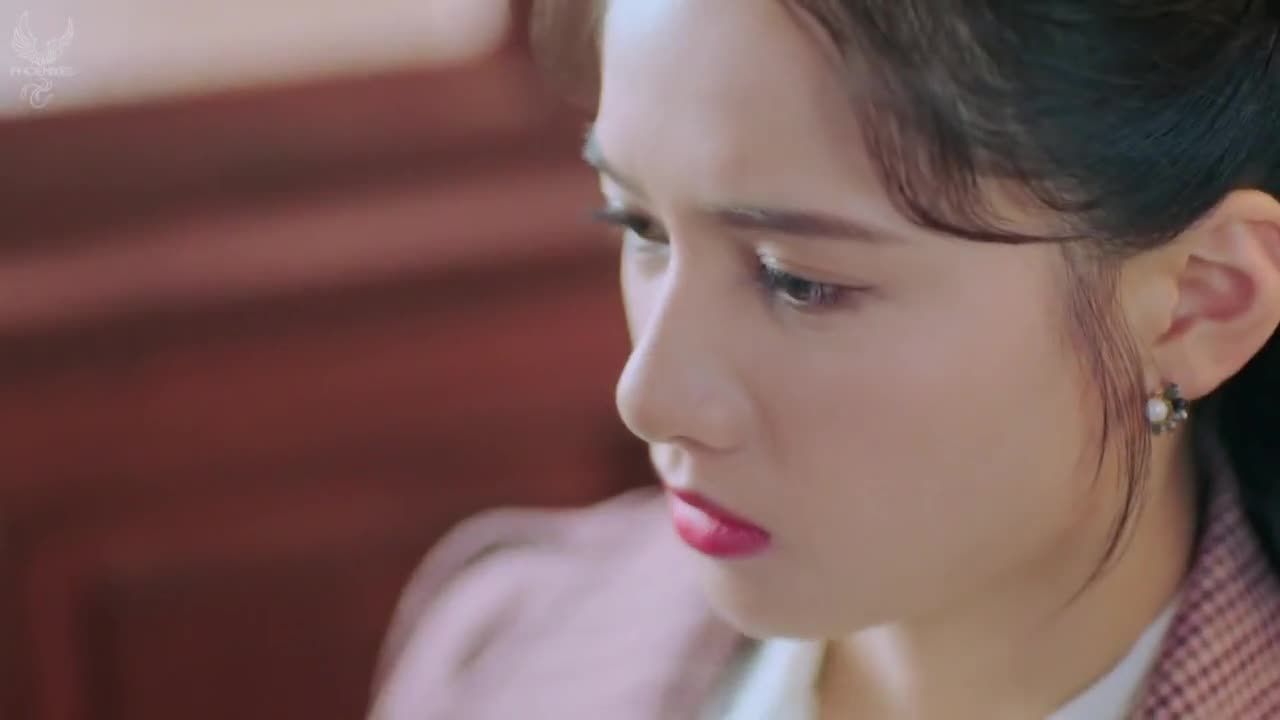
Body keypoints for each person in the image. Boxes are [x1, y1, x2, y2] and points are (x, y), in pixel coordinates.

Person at [368, 1, 1280, 718]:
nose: (648, 396)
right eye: (639, 225)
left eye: (799, 282)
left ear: (1200, 302)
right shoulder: (504, 649)